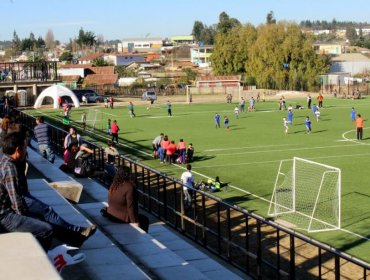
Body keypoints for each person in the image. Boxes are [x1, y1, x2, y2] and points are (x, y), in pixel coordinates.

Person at [0, 131, 96, 251]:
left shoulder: (5, 159)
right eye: (25, 148)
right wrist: (28, 219)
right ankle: (51, 253)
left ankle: (75, 236)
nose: (26, 150)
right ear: (18, 150)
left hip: (7, 209)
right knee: (46, 224)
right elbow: (16, 200)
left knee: (44, 214)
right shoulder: (10, 167)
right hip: (4, 216)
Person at [101, 166, 149, 232]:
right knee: (145, 220)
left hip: (111, 214)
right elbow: (131, 207)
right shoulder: (129, 187)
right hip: (121, 217)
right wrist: (134, 222)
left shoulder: (114, 184)